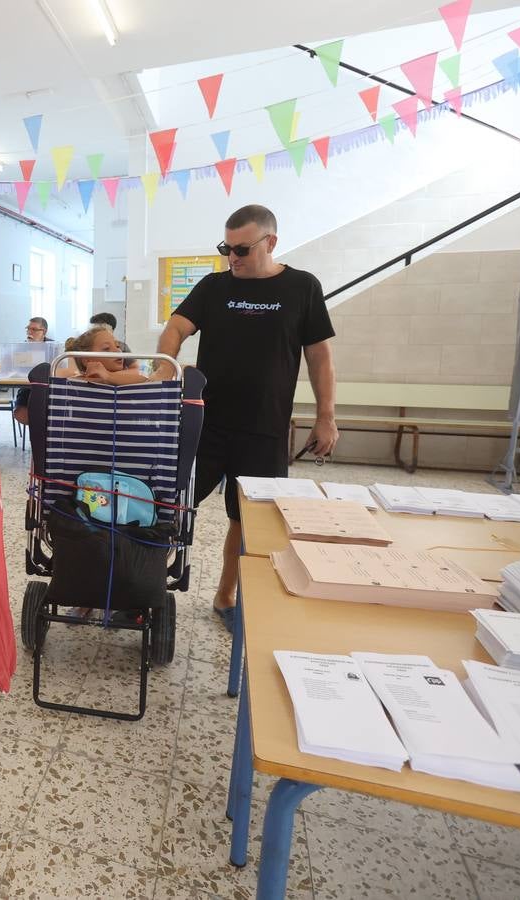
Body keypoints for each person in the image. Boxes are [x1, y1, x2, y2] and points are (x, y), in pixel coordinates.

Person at [157, 204, 337, 633]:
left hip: (264, 429)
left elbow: (319, 357)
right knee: (166, 506)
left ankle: (227, 596)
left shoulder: (302, 287)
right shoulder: (214, 286)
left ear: (270, 242)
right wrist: (164, 367)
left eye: (241, 249)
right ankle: (141, 586)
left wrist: (326, 417)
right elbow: (176, 328)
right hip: (204, 425)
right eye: (226, 249)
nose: (232, 258)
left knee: (248, 522)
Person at [13, 317, 54, 426]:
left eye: (34, 329)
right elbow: (16, 368)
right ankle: (37, 427)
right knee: (21, 412)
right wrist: (31, 347)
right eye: (28, 329)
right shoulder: (22, 346)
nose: (29, 332)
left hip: (47, 387)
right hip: (27, 385)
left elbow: (57, 368)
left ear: (44, 332)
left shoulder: (53, 346)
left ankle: (42, 427)